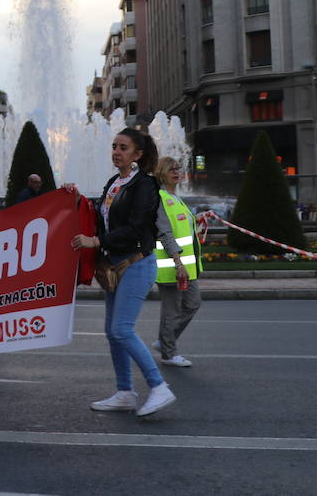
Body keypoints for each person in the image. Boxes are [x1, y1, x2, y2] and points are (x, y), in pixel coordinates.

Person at [70, 128, 175, 418]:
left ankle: (158, 386)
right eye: (115, 146)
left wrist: (97, 242)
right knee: (112, 332)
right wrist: (76, 198)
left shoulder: (146, 185)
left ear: (137, 155)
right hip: (115, 265)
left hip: (137, 263)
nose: (117, 151)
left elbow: (137, 225)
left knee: (121, 329)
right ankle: (125, 393)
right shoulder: (115, 182)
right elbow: (101, 216)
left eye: (124, 147)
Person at [151, 156, 201, 369]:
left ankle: (165, 340)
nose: (177, 172)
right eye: (172, 169)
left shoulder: (176, 198)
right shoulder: (160, 198)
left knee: (193, 303)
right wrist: (178, 263)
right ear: (162, 172)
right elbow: (165, 233)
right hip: (172, 265)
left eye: (179, 169)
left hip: (186, 266)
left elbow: (184, 230)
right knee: (171, 310)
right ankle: (169, 353)